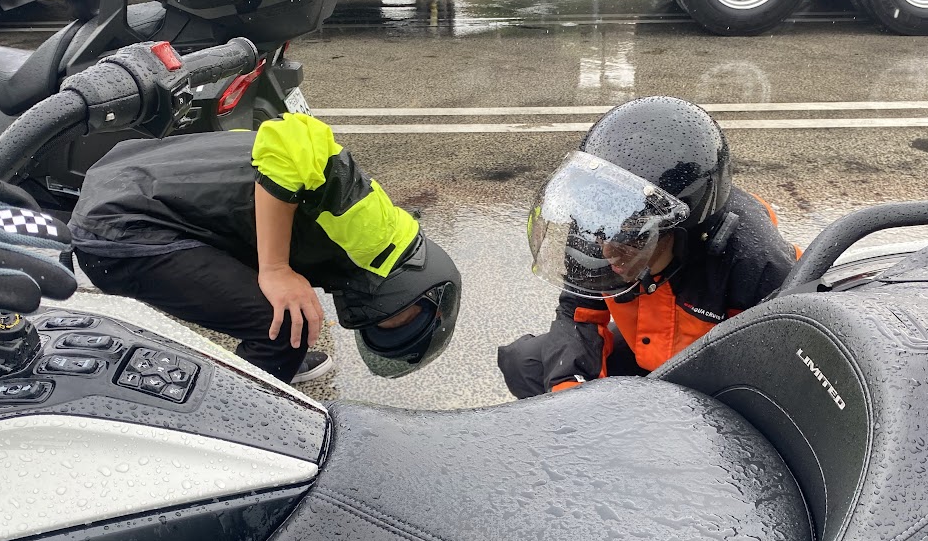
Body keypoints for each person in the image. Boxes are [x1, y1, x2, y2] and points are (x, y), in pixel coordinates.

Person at [70, 114, 461, 384]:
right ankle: (231, 432)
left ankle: (272, 369)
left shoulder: (374, 253)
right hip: (122, 228)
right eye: (401, 322)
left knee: (292, 317)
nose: (385, 325)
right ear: (421, 291)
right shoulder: (372, 232)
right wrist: (275, 269)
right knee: (284, 329)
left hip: (127, 185)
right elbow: (289, 137)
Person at [498, 96, 799, 398]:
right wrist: (570, 398)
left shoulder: (759, 263)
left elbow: (780, 374)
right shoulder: (600, 228)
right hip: (647, 353)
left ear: (685, 232)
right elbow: (577, 315)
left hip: (717, 378)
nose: (607, 251)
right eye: (604, 235)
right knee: (526, 363)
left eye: (631, 239)